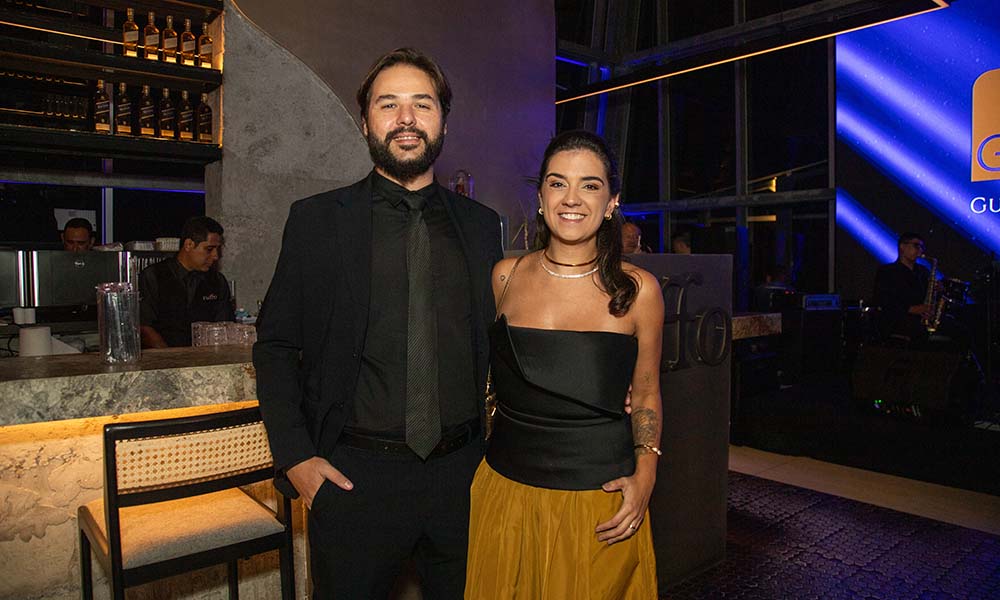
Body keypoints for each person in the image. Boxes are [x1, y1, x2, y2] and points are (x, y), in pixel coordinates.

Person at [253, 48, 503, 599]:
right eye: (388, 104)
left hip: (464, 479)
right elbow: (275, 346)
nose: (406, 118)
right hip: (354, 480)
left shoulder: (483, 227)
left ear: (444, 121)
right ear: (365, 121)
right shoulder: (317, 221)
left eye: (423, 104)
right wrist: (296, 459)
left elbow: (505, 341)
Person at [465, 130, 663, 599]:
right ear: (540, 197)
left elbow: (647, 391)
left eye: (590, 185)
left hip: (596, 500)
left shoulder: (639, 290)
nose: (572, 198)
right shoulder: (505, 277)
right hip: (506, 490)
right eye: (558, 183)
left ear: (612, 202)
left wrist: (646, 475)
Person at [138, 216, 233, 348]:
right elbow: (144, 326)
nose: (215, 256)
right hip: (162, 357)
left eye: (218, 249)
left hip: (205, 357)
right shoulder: (154, 276)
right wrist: (170, 357)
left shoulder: (217, 281)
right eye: (209, 249)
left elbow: (225, 326)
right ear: (189, 245)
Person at [873, 232, 932, 342]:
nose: (920, 250)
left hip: (920, 319)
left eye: (921, 247)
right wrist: (911, 309)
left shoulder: (923, 271)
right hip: (897, 320)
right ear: (902, 247)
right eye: (916, 245)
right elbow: (883, 300)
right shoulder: (887, 271)